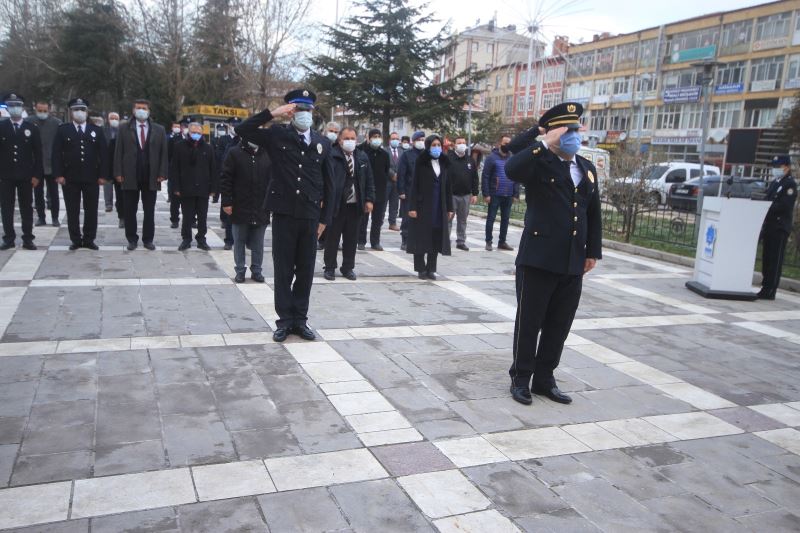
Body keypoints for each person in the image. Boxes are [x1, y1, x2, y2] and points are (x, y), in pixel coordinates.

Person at [504, 102, 602, 406]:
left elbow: (593, 212)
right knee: (530, 321)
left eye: (577, 130)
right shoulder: (540, 162)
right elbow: (511, 166)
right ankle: (521, 378)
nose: (575, 136)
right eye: (569, 131)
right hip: (538, 258)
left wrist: (592, 251)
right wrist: (543, 139)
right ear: (558, 134)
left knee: (560, 324)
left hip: (572, 260)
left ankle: (545, 378)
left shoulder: (586, 168)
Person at [235, 88, 334, 343]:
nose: (303, 114)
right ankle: (284, 321)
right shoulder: (278, 134)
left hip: (310, 216)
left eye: (307, 110)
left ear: (313, 112)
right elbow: (243, 130)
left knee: (305, 270)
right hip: (284, 214)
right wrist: (272, 113)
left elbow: (330, 185)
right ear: (291, 112)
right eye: (298, 109)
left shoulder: (323, 143)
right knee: (283, 269)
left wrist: (324, 219)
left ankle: (300, 320)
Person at [51, 98, 108, 250]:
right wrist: (58, 174)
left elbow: (104, 154)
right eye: (76, 109)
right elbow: (56, 153)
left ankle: (89, 239)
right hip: (70, 177)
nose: (80, 112)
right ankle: (75, 239)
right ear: (71, 112)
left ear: (87, 112)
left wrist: (103, 175)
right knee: (72, 210)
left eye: (82, 109)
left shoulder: (96, 130)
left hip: (92, 177)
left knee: (91, 210)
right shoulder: (63, 130)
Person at [113, 99, 169, 251]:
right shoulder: (124, 129)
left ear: (149, 111)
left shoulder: (159, 129)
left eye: (144, 108)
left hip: (151, 175)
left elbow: (164, 153)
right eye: (138, 108)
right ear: (133, 110)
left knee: (149, 210)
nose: (141, 110)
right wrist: (118, 172)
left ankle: (148, 239)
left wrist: (163, 172)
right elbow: (118, 151)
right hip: (130, 174)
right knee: (130, 209)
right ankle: (132, 239)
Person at [325, 127, 375, 280]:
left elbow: (369, 180)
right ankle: (330, 267)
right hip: (337, 204)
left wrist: (369, 199)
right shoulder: (331, 155)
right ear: (340, 140)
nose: (350, 141)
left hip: (355, 204)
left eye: (353, 138)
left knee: (351, 239)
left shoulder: (362, 156)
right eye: (347, 138)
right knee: (332, 238)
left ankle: (348, 267)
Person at [220, 138, 272, 283]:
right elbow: (225, 179)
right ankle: (240, 270)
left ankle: (256, 270)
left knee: (258, 242)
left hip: (261, 206)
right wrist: (227, 201)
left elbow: (273, 180)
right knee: (239, 240)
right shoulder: (234, 153)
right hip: (240, 205)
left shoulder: (267, 154)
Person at [406, 134, 454, 280]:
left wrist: (450, 208)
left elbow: (448, 187)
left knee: (435, 236)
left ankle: (431, 268)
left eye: (438, 145)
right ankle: (421, 268)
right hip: (423, 206)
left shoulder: (445, 163)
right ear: (428, 147)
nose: (436, 148)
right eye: (433, 145)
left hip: (439, 206)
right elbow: (414, 186)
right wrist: (412, 207)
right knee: (421, 237)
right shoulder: (421, 162)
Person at [0, 93, 42, 250]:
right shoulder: (2, 127)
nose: (14, 109)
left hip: (26, 175)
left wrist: (37, 175)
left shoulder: (31, 128)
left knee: (26, 207)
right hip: (6, 175)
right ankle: (8, 238)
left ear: (22, 107)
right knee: (6, 208)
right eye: (11, 106)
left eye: (17, 105)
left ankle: (28, 238)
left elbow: (38, 154)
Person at [171, 122, 217, 251]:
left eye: (198, 132)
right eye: (193, 132)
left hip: (203, 188)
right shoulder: (179, 146)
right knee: (187, 216)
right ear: (188, 132)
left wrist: (214, 189)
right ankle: (186, 239)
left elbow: (213, 168)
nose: (196, 134)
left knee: (202, 216)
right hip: (186, 188)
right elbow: (174, 168)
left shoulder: (208, 148)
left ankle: (201, 239)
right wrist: (176, 188)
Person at [758, 155, 797, 300]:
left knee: (775, 260)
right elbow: (766, 199)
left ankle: (770, 289)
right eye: (774, 166)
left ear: (786, 166)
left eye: (778, 166)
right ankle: (765, 286)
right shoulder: (775, 182)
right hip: (769, 226)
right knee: (767, 258)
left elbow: (785, 206)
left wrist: (767, 206)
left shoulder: (789, 184)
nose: (775, 169)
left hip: (779, 227)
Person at [482, 135, 519, 251]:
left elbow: (516, 176)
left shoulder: (512, 158)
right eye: (505, 143)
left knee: (505, 219)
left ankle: (502, 242)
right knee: (491, 218)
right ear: (500, 144)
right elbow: (485, 176)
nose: (507, 145)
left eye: (509, 143)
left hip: (508, 194)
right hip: (495, 194)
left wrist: (516, 193)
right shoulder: (491, 158)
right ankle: (488, 241)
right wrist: (486, 194)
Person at [31, 100, 62, 227]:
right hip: (36, 164)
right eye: (40, 110)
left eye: (44, 110)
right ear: (35, 109)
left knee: (54, 193)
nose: (42, 113)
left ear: (49, 110)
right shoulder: (29, 122)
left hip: (52, 164)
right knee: (38, 193)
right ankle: (41, 217)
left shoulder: (56, 123)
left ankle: (55, 217)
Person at [358, 128, 388, 251]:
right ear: (369, 138)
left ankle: (375, 241)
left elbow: (386, 171)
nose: (376, 139)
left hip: (380, 190)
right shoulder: (361, 151)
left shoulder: (384, 154)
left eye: (378, 136)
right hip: (365, 190)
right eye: (374, 136)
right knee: (363, 218)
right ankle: (361, 241)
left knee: (378, 219)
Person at [448, 136, 479, 251]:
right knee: (448, 219)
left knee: (462, 220)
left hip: (465, 195)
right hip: (451, 195)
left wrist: (475, 194)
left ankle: (461, 241)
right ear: (454, 145)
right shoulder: (448, 159)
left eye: (463, 143)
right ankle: (446, 241)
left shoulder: (470, 160)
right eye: (459, 143)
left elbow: (475, 178)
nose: (461, 145)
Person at [397, 130, 426, 250]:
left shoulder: (426, 155)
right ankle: (405, 239)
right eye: (419, 140)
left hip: (424, 192)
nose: (421, 142)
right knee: (407, 217)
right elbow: (401, 174)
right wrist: (401, 191)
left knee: (422, 217)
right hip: (409, 191)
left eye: (423, 140)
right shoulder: (406, 155)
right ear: (413, 142)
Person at [103, 112, 124, 228]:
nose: (114, 120)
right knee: (107, 185)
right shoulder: (103, 130)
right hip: (107, 164)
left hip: (119, 166)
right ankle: (108, 204)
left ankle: (122, 216)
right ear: (108, 119)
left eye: (116, 118)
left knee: (121, 193)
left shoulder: (123, 131)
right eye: (112, 118)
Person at [167, 119, 185, 229]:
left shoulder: (197, 139)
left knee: (190, 200)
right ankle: (174, 219)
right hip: (176, 172)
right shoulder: (174, 139)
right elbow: (169, 155)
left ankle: (192, 219)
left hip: (190, 175)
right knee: (175, 199)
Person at [386, 131, 403, 231]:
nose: (395, 141)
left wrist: (399, 175)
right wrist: (392, 174)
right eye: (393, 139)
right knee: (383, 204)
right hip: (387, 181)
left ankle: (392, 223)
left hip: (397, 182)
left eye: (397, 139)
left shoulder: (402, 151)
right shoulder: (385, 151)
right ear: (389, 140)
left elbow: (403, 165)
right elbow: (385, 165)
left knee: (394, 204)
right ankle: (378, 223)